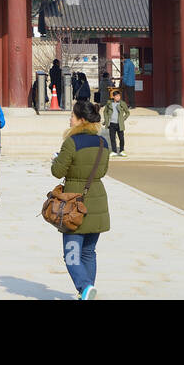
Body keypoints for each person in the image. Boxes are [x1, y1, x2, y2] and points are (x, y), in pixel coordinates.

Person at [51, 100, 111, 300]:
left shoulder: (71, 142)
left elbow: (57, 171)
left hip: (74, 203)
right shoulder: (103, 143)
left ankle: (84, 288)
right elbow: (102, 171)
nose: (70, 119)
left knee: (71, 254)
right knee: (88, 252)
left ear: (81, 120)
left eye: (72, 116)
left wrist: (57, 159)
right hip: (98, 200)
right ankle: (86, 292)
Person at [100, 88, 131, 157]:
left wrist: (123, 119)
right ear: (113, 97)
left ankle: (121, 150)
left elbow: (127, 112)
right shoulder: (109, 103)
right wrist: (106, 120)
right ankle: (114, 151)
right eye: (116, 96)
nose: (118, 97)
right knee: (112, 138)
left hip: (119, 124)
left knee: (121, 138)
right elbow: (105, 112)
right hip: (112, 124)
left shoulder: (122, 103)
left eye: (119, 96)